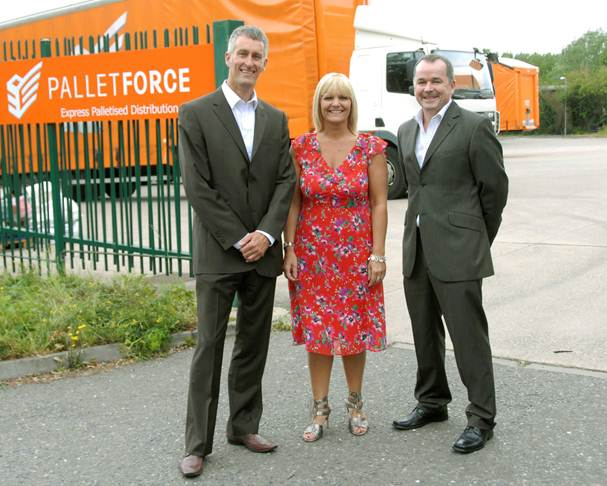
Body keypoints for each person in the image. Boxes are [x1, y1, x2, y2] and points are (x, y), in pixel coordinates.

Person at [177, 25, 295, 477]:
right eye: (242, 54)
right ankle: (197, 444)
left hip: (261, 252)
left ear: (265, 63)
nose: (249, 62)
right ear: (228, 57)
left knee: (253, 343)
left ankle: (244, 426)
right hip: (219, 251)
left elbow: (285, 180)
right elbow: (198, 186)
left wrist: (265, 235)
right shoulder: (195, 113)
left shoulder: (275, 119)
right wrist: (237, 237)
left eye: (256, 56)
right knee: (209, 346)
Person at [392, 54, 508, 453]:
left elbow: (495, 191)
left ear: (451, 85)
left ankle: (481, 418)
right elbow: (415, 188)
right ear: (413, 86)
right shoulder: (406, 130)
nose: (428, 88)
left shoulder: (473, 127)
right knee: (424, 331)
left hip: (459, 249)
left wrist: (475, 239)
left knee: (468, 336)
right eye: (421, 82)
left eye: (436, 81)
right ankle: (432, 401)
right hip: (417, 247)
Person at [283, 72, 388, 442]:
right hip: (313, 255)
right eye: (328, 97)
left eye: (342, 97)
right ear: (319, 103)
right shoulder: (301, 147)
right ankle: (319, 408)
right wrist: (289, 248)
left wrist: (378, 254)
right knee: (319, 333)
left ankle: (356, 405)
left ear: (351, 104)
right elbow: (293, 202)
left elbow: (379, 203)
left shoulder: (370, 147)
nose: (336, 104)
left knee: (354, 331)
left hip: (356, 254)